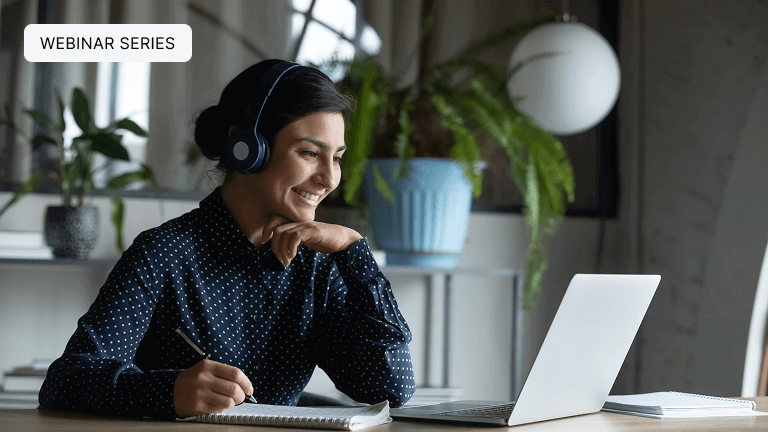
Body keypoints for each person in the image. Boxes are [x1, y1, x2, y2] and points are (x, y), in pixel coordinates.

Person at [38, 59, 415, 419]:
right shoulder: (164, 253)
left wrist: (353, 250)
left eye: (336, 158)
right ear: (246, 149)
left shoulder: (319, 267)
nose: (329, 179)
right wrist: (169, 392)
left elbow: (392, 387)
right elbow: (65, 382)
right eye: (309, 153)